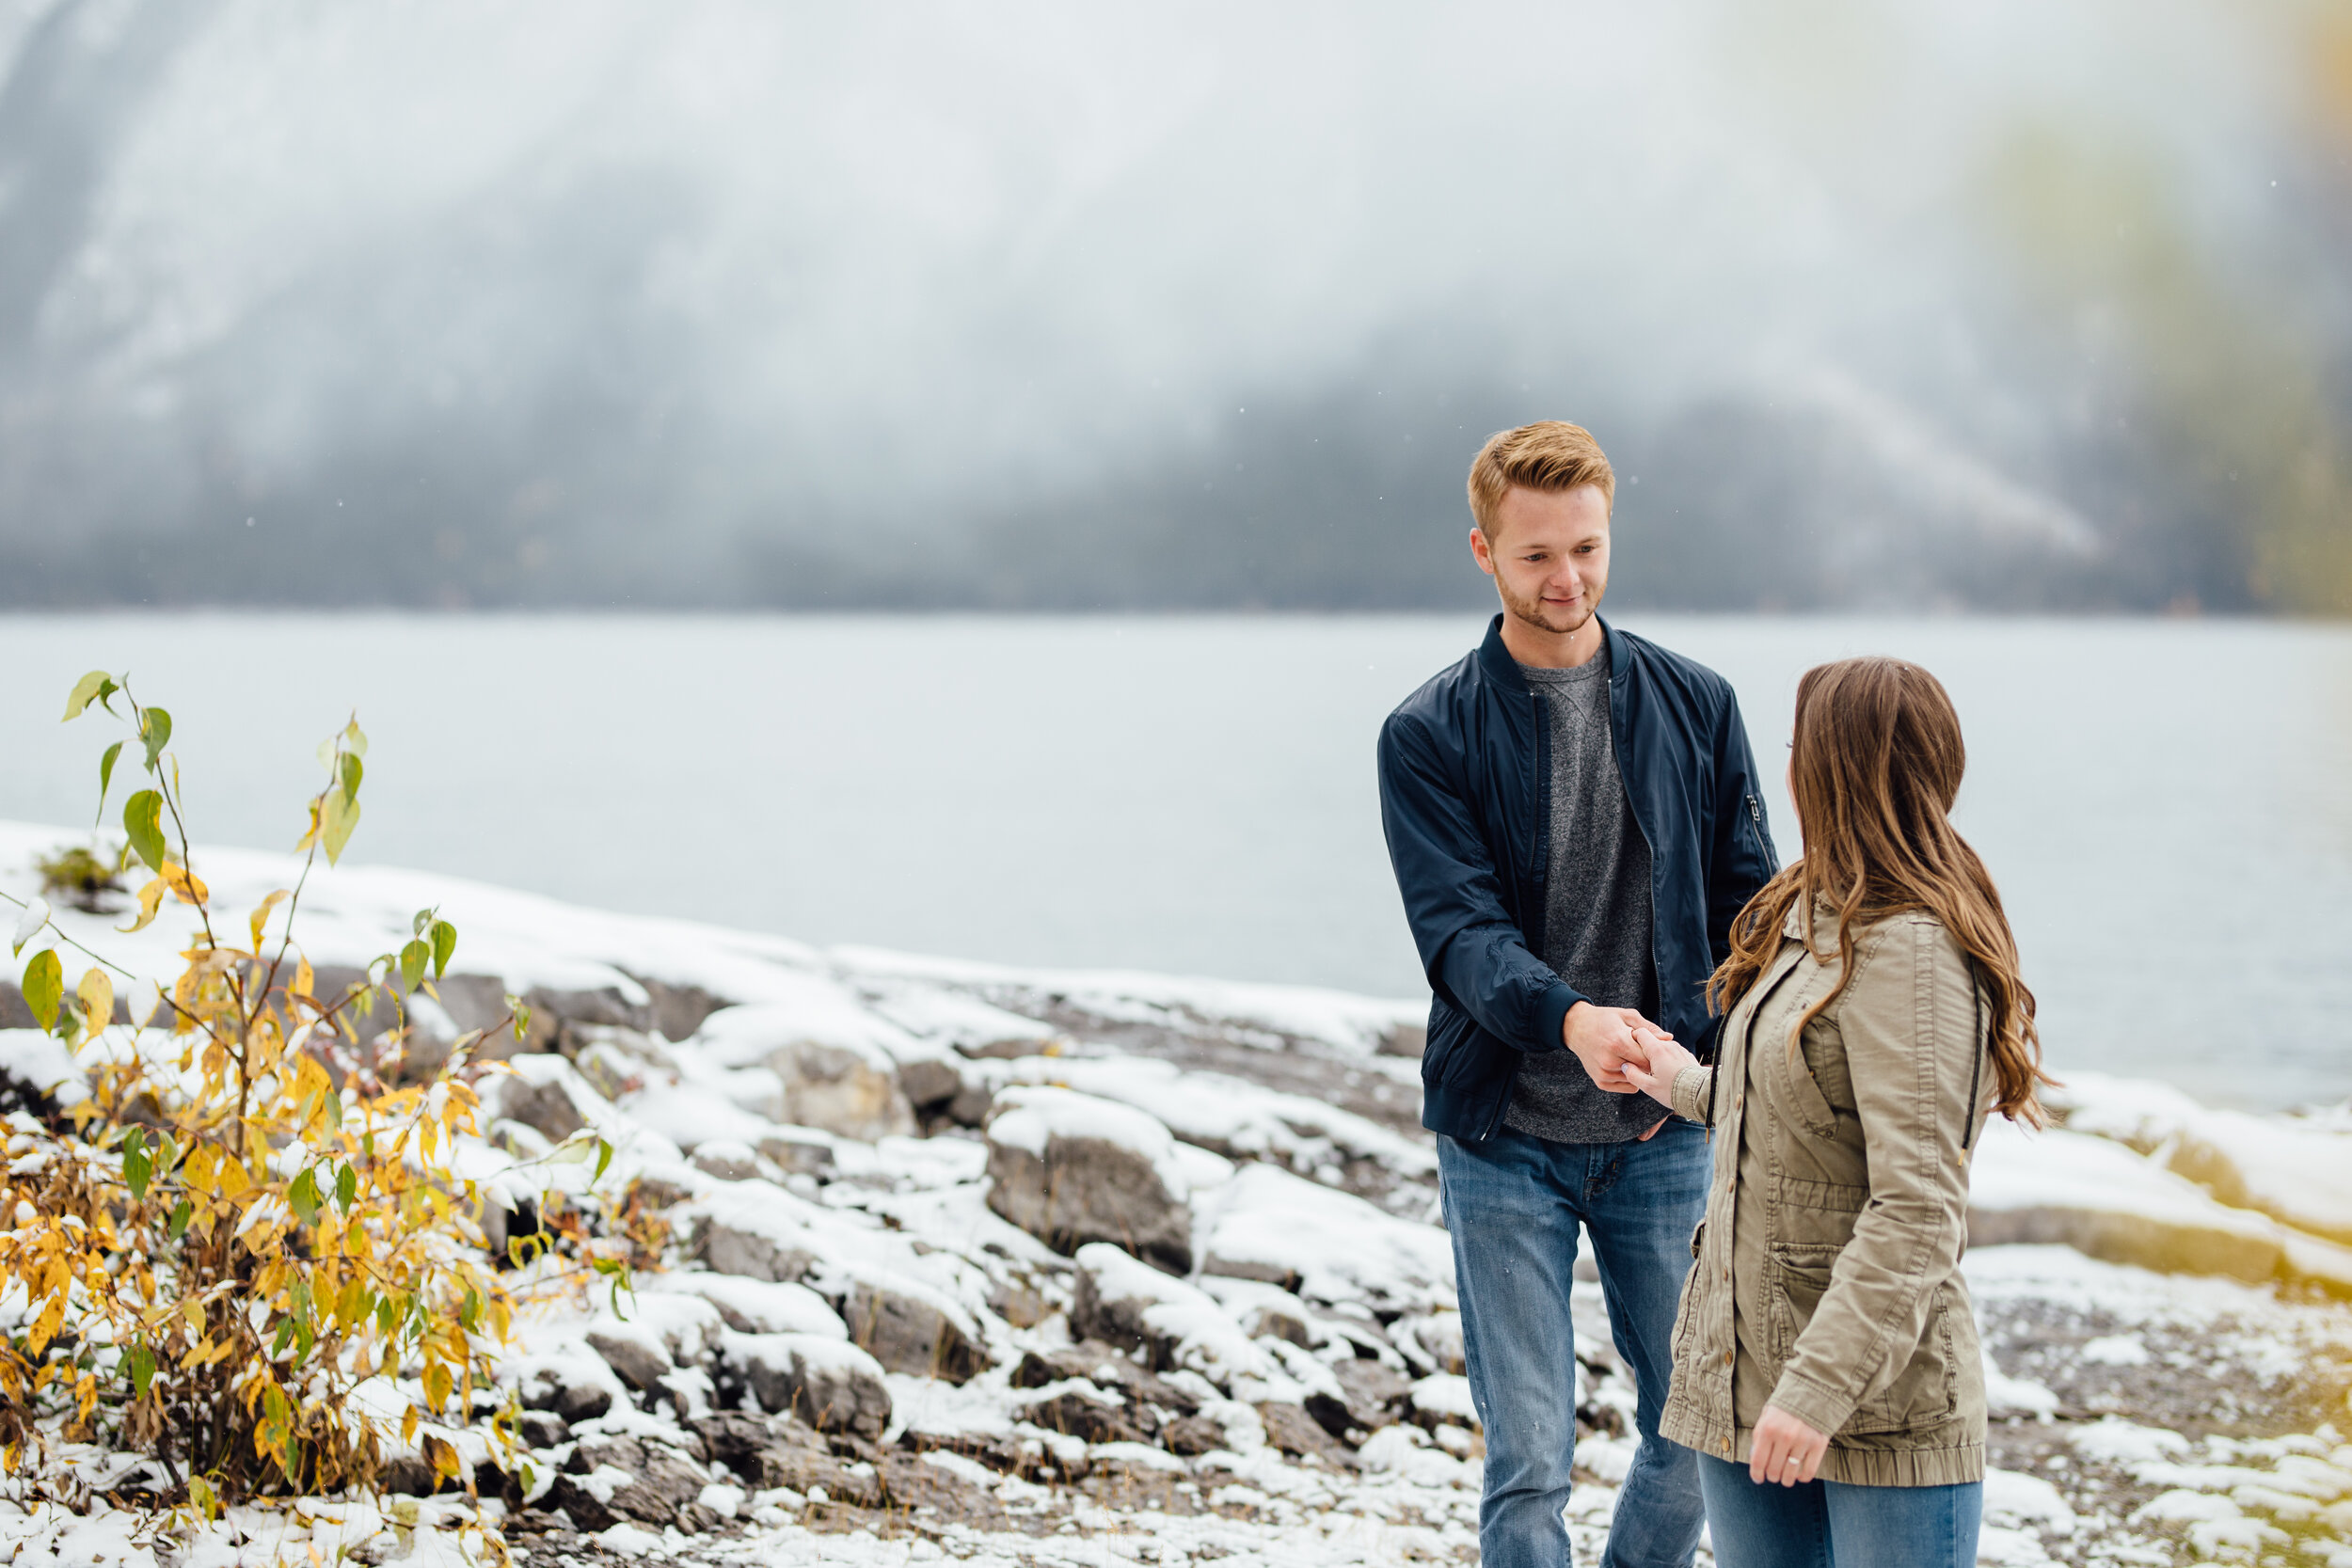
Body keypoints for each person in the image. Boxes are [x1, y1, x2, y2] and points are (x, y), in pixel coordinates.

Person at [1376, 420, 1780, 1568]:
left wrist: (1713, 1063)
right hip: (1503, 1130)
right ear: (1482, 552)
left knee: (1697, 1428)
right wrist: (1572, 1017)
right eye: (1537, 555)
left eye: (1589, 549)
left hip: (1664, 1129)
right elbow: (1459, 933)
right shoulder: (1425, 733)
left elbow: (1753, 914)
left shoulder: (1697, 703)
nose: (1568, 579)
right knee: (1527, 1461)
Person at [1623, 657, 2052, 1568]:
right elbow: (1802, 1110)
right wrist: (1678, 1079)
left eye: (1797, 747)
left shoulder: (1915, 955)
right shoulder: (1808, 912)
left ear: (1829, 769)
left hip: (1876, 1412)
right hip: (1743, 1382)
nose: (1786, 766)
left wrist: (1814, 1389)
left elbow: (1917, 1207)